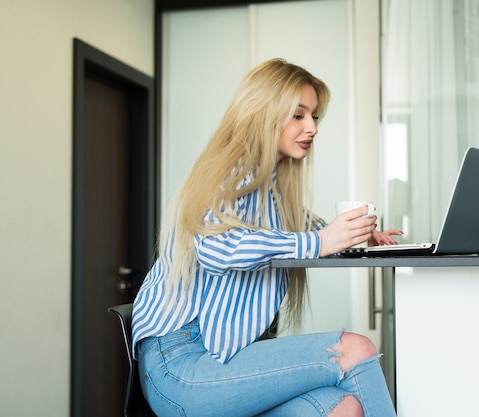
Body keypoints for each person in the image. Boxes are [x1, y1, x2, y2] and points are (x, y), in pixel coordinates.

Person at [131, 58, 402, 417]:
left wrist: (356, 235)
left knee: (344, 408)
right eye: (298, 114)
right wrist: (321, 240)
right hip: (181, 366)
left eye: (315, 117)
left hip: (219, 361)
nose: (313, 128)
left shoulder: (271, 192)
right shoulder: (230, 170)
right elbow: (216, 248)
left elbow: (312, 233)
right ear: (264, 113)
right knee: (355, 349)